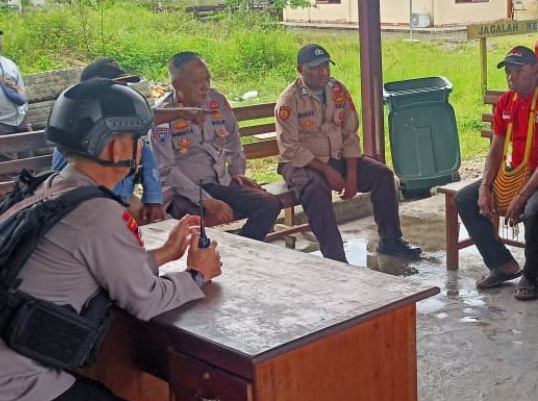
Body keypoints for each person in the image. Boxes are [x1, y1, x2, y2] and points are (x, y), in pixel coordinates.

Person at [0, 79, 222, 401]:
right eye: (136, 138)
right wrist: (196, 275)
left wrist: (163, 254)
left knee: (97, 391)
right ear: (116, 147)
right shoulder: (98, 213)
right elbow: (145, 301)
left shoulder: (46, 191)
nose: (140, 147)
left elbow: (95, 268)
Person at [275, 44, 421, 262]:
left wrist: (351, 173)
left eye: (325, 66)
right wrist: (327, 171)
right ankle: (335, 258)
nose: (323, 72)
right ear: (300, 70)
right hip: (302, 163)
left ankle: (390, 240)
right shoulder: (289, 100)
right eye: (315, 68)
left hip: (337, 157)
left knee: (382, 175)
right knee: (316, 189)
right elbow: (290, 147)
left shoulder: (337, 91)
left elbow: (350, 133)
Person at [457, 46, 538, 298]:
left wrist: (522, 196)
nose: (511, 77)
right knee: (465, 198)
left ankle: (532, 274)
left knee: (533, 211)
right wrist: (485, 187)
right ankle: (503, 264)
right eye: (508, 72)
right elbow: (496, 150)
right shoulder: (506, 102)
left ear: (535, 71)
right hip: (514, 174)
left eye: (517, 71)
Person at [153, 51, 281, 241]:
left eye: (207, 79)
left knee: (270, 204)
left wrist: (237, 173)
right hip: (184, 190)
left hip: (219, 182)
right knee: (201, 222)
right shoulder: (163, 115)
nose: (205, 87)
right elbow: (167, 170)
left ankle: (242, 252)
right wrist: (204, 199)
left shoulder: (217, 102)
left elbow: (233, 140)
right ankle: (202, 264)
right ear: (177, 85)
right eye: (197, 82)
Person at [51, 58, 166, 225]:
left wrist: (153, 200)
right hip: (87, 206)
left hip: (123, 199)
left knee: (161, 225)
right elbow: (64, 188)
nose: (124, 96)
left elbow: (147, 159)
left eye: (124, 90)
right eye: (116, 90)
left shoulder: (125, 130)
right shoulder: (76, 138)